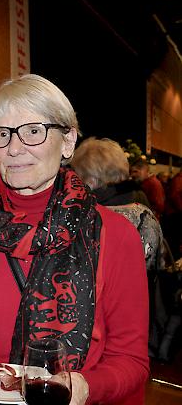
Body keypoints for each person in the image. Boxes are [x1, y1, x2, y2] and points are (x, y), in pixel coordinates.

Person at [0, 74, 149, 405]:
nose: (15, 148)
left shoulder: (115, 236)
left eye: (33, 131)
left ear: (67, 141)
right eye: (2, 134)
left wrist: (87, 386)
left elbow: (131, 360)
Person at [70, 137, 176, 362]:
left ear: (91, 178)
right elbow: (153, 272)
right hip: (132, 330)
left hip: (101, 329)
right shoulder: (143, 214)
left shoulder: (87, 216)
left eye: (77, 175)